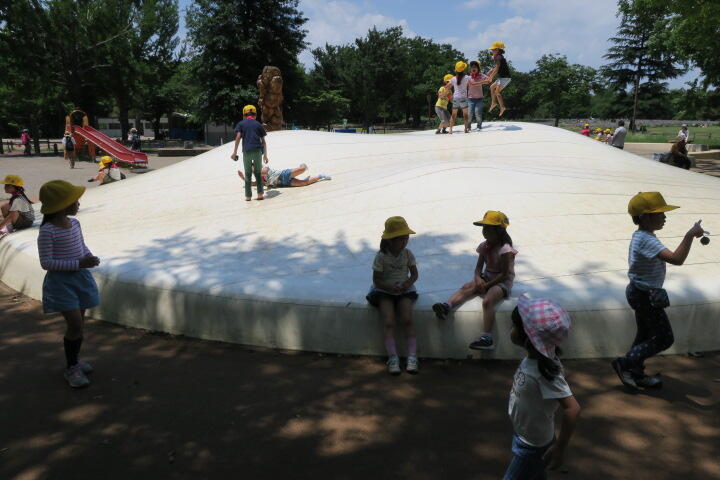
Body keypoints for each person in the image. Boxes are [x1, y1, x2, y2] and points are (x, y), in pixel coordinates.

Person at [611, 192, 705, 389]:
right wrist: (689, 235)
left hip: (639, 291)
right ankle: (625, 364)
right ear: (645, 217)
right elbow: (677, 259)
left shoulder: (643, 236)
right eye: (660, 213)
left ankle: (636, 373)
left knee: (644, 335)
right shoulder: (646, 239)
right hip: (644, 296)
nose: (664, 216)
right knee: (664, 338)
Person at [504, 294, 580, 479]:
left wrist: (560, 447)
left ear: (528, 339)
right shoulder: (534, 361)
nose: (511, 328)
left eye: (515, 326)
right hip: (524, 435)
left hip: (532, 445)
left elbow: (573, 408)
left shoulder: (545, 372)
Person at [37, 180, 101, 388]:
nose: (78, 204)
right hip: (61, 284)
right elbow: (46, 263)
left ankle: (75, 360)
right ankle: (71, 368)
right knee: (75, 325)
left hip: (80, 279)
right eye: (75, 201)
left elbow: (81, 245)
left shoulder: (75, 224)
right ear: (61, 205)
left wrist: (88, 256)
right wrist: (78, 263)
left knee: (79, 325)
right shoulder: (47, 231)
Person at [432, 211, 517, 351]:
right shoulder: (484, 246)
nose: (485, 232)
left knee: (488, 301)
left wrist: (487, 285)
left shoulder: (505, 249)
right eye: (484, 228)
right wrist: (478, 279)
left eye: (489, 229)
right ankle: (446, 306)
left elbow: (505, 273)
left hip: (502, 282)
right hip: (487, 277)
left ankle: (487, 338)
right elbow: (478, 268)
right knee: (467, 287)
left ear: (499, 231)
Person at [366, 216, 419, 375]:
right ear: (389, 240)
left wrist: (406, 285)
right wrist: (389, 287)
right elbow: (376, 280)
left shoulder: (408, 254)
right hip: (385, 292)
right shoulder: (381, 256)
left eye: (406, 238)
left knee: (407, 319)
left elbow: (414, 274)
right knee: (389, 322)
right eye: (400, 239)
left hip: (404, 291)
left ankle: (412, 356)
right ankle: (393, 357)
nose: (404, 242)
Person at [231, 104, 269, 201]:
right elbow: (264, 142)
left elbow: (238, 137)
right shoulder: (258, 124)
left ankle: (248, 197)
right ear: (255, 115)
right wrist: (265, 156)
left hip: (247, 151)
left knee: (248, 174)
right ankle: (260, 195)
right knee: (258, 173)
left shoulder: (241, 124)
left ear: (244, 115)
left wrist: (234, 152)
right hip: (257, 151)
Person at [238, 163, 331, 188]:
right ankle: (320, 176)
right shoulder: (259, 181)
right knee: (304, 183)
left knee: (302, 169)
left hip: (283, 175)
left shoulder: (264, 168)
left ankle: (302, 165)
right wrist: (243, 178)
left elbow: (265, 171)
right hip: (284, 183)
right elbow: (251, 184)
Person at [467, 61, 493, 131]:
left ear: (478, 69)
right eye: (472, 67)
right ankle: (468, 126)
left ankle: (479, 126)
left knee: (478, 114)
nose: (473, 68)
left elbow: (489, 81)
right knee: (469, 114)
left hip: (479, 98)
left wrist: (490, 74)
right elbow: (469, 84)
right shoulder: (468, 77)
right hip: (470, 99)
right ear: (470, 69)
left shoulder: (481, 76)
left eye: (475, 67)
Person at [488, 41, 511, 117]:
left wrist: (491, 77)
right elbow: (497, 66)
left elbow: (497, 69)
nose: (491, 51)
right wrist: (491, 70)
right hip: (502, 77)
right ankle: (494, 103)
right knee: (492, 87)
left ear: (497, 50)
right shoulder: (499, 57)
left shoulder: (498, 57)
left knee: (497, 93)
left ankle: (502, 107)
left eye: (493, 49)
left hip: (505, 78)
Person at [448, 61, 471, 134]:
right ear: (463, 70)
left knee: (453, 115)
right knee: (465, 115)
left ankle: (450, 130)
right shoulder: (466, 77)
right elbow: (473, 81)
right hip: (463, 98)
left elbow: (448, 86)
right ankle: (465, 129)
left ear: (456, 70)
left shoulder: (453, 78)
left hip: (455, 98)